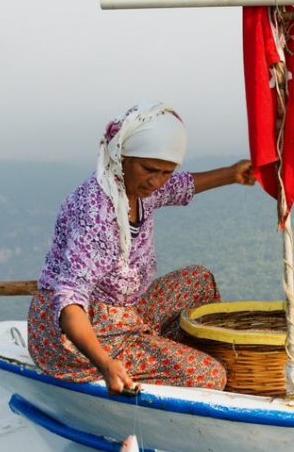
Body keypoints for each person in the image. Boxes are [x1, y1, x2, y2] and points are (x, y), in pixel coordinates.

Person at [27, 102, 256, 395]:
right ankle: (150, 358)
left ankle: (154, 350)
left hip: (125, 312)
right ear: (121, 154)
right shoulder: (96, 212)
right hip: (78, 335)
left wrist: (232, 173)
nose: (156, 181)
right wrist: (105, 364)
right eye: (149, 169)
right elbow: (70, 300)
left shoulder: (141, 190)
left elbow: (181, 186)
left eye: (165, 172)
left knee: (199, 281)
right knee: (210, 375)